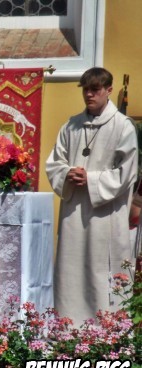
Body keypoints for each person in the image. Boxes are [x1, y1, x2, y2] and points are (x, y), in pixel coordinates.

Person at [46, 67, 138, 326]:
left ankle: (107, 329)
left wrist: (92, 179)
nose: (89, 94)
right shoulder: (71, 125)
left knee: (102, 270)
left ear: (109, 90)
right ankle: (68, 328)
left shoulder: (123, 127)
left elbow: (127, 172)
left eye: (95, 90)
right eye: (86, 89)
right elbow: (54, 162)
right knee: (71, 269)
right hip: (74, 213)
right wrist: (68, 173)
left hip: (106, 213)